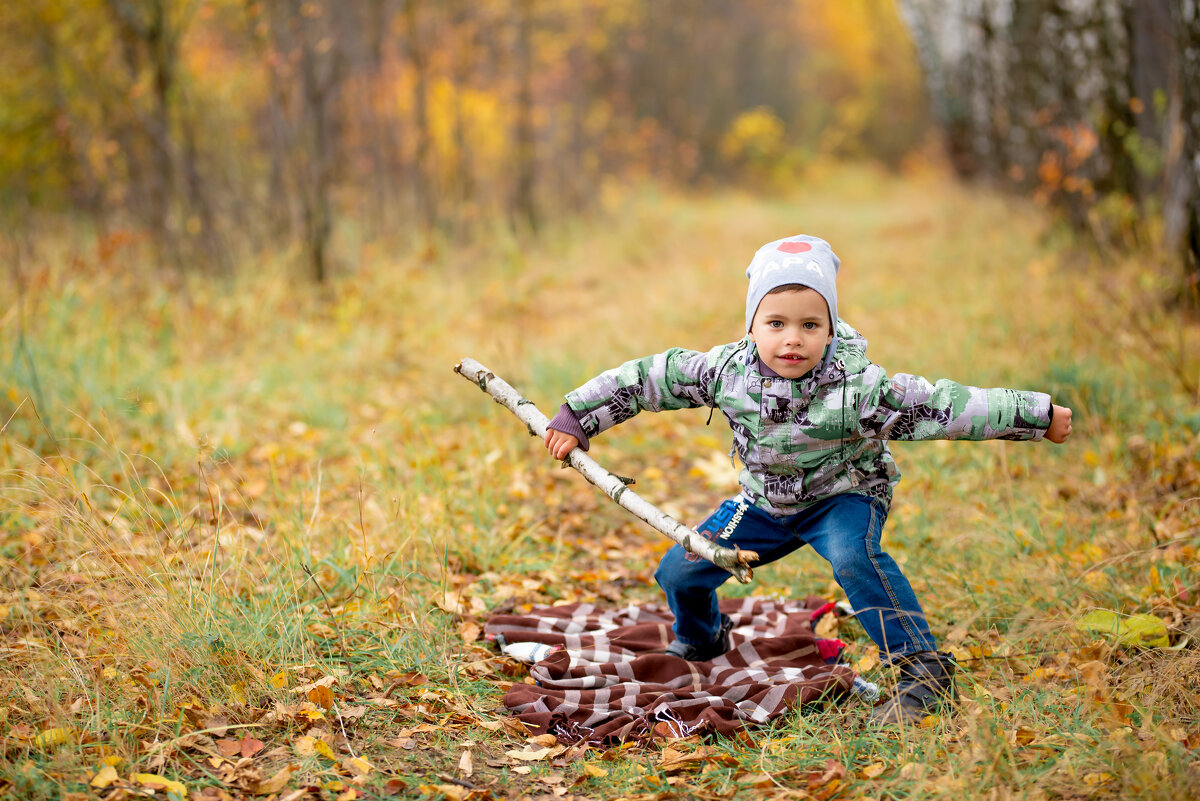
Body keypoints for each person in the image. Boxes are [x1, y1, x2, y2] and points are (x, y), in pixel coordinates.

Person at [542, 234, 1073, 724]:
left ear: (831, 329)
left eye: (810, 325)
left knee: (853, 558)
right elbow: (647, 378)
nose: (792, 340)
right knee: (682, 572)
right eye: (776, 323)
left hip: (844, 496)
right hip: (764, 505)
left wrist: (1036, 414)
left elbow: (945, 406)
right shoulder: (726, 372)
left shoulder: (858, 387)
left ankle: (922, 669)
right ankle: (702, 638)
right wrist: (578, 417)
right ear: (751, 325)